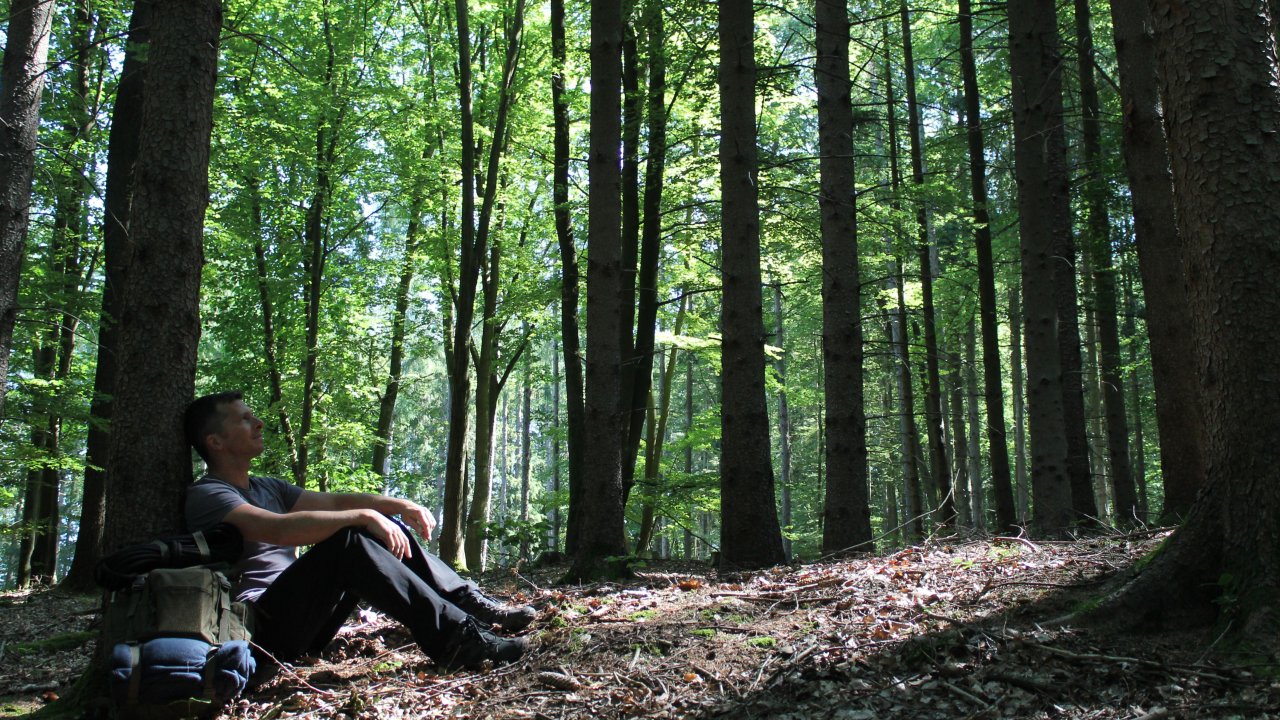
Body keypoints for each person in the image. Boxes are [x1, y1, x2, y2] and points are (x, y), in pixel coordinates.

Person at [182, 390, 535, 671]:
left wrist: (395, 506)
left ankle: (470, 606)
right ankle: (459, 642)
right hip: (259, 630)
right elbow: (278, 530)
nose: (258, 423)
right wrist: (363, 516)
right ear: (215, 442)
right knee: (350, 539)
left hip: (306, 622)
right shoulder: (208, 494)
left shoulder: (267, 487)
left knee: (371, 531)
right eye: (245, 419)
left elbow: (335, 502)